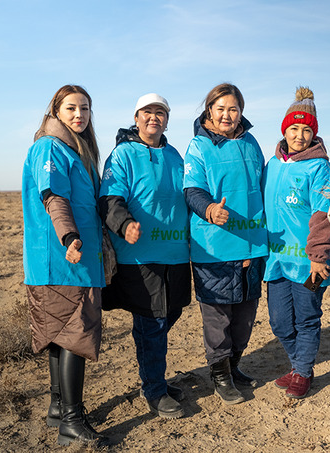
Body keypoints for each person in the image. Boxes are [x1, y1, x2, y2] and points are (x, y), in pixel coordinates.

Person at [22, 85, 107, 446]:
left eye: (85, 108)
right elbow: (53, 196)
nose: (79, 115)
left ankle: (58, 406)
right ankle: (72, 420)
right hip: (65, 260)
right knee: (75, 334)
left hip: (68, 261)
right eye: (71, 108)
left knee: (61, 334)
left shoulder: (75, 149)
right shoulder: (50, 147)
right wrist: (70, 237)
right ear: (55, 111)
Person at [99, 93, 190, 419]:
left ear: (166, 119)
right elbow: (109, 199)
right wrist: (124, 225)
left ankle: (155, 376)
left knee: (171, 313)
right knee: (152, 324)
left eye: (160, 113)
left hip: (176, 253)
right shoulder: (122, 155)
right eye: (147, 113)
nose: (154, 118)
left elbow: (188, 194)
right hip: (139, 256)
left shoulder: (175, 155)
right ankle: (154, 388)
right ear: (136, 118)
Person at [183, 83, 268, 405]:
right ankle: (220, 376)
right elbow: (192, 190)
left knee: (245, 316)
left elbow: (263, 186)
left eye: (233, 109)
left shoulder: (251, 143)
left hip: (253, 243)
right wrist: (209, 209)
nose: (227, 115)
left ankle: (234, 366)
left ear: (241, 112)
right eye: (220, 109)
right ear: (209, 111)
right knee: (219, 317)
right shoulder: (199, 146)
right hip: (215, 245)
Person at [262, 87, 330, 399]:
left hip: (311, 261)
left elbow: (324, 214)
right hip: (277, 260)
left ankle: (303, 372)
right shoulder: (273, 164)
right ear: (284, 130)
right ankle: (298, 365)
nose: (300, 135)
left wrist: (319, 255)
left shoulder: (320, 168)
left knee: (307, 318)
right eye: (294, 128)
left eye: (307, 129)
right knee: (280, 322)